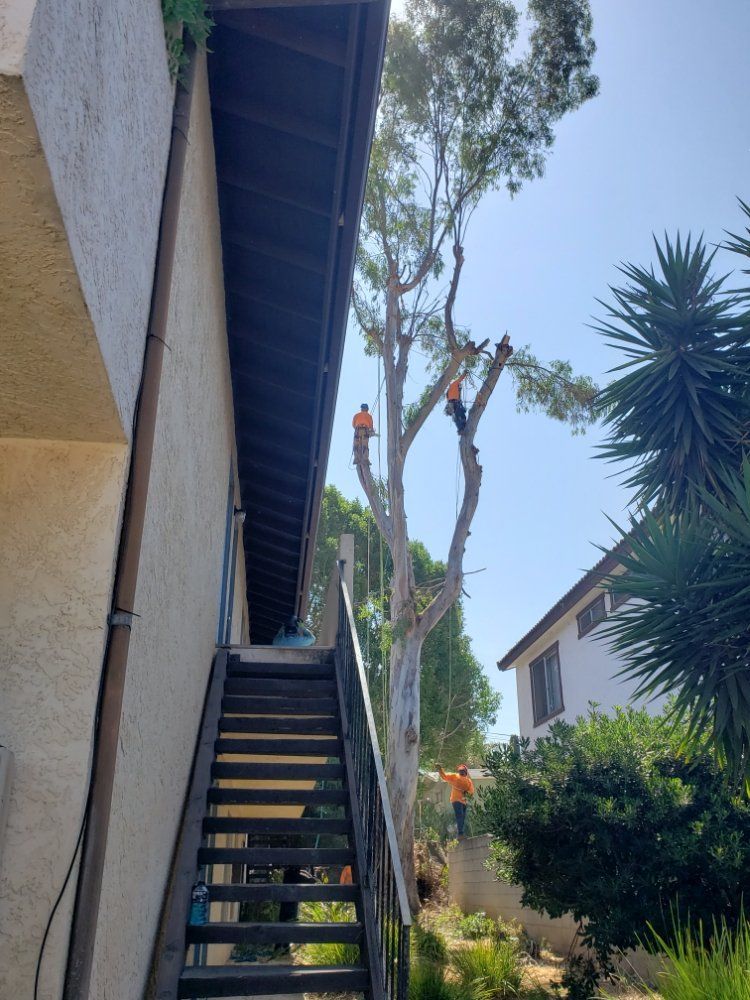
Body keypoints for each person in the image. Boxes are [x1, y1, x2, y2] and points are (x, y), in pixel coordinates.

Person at [437, 763, 474, 838]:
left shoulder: (468, 781)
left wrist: (467, 793)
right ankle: (460, 834)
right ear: (459, 771)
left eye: (463, 770)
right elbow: (444, 776)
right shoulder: (455, 776)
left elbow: (471, 791)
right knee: (460, 816)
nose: (462, 772)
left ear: (465, 772)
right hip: (456, 800)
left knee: (462, 817)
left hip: (463, 801)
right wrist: (440, 770)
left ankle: (460, 833)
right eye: (461, 770)